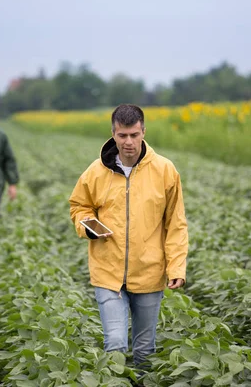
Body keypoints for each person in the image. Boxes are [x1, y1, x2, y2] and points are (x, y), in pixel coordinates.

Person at [69, 104, 188, 368]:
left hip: (149, 271)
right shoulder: (96, 172)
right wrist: (90, 226)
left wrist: (176, 266)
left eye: (134, 135)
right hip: (107, 271)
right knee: (115, 345)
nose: (129, 142)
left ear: (144, 132)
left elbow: (176, 224)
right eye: (122, 136)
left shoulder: (165, 171)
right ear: (113, 134)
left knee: (145, 351)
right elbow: (79, 206)